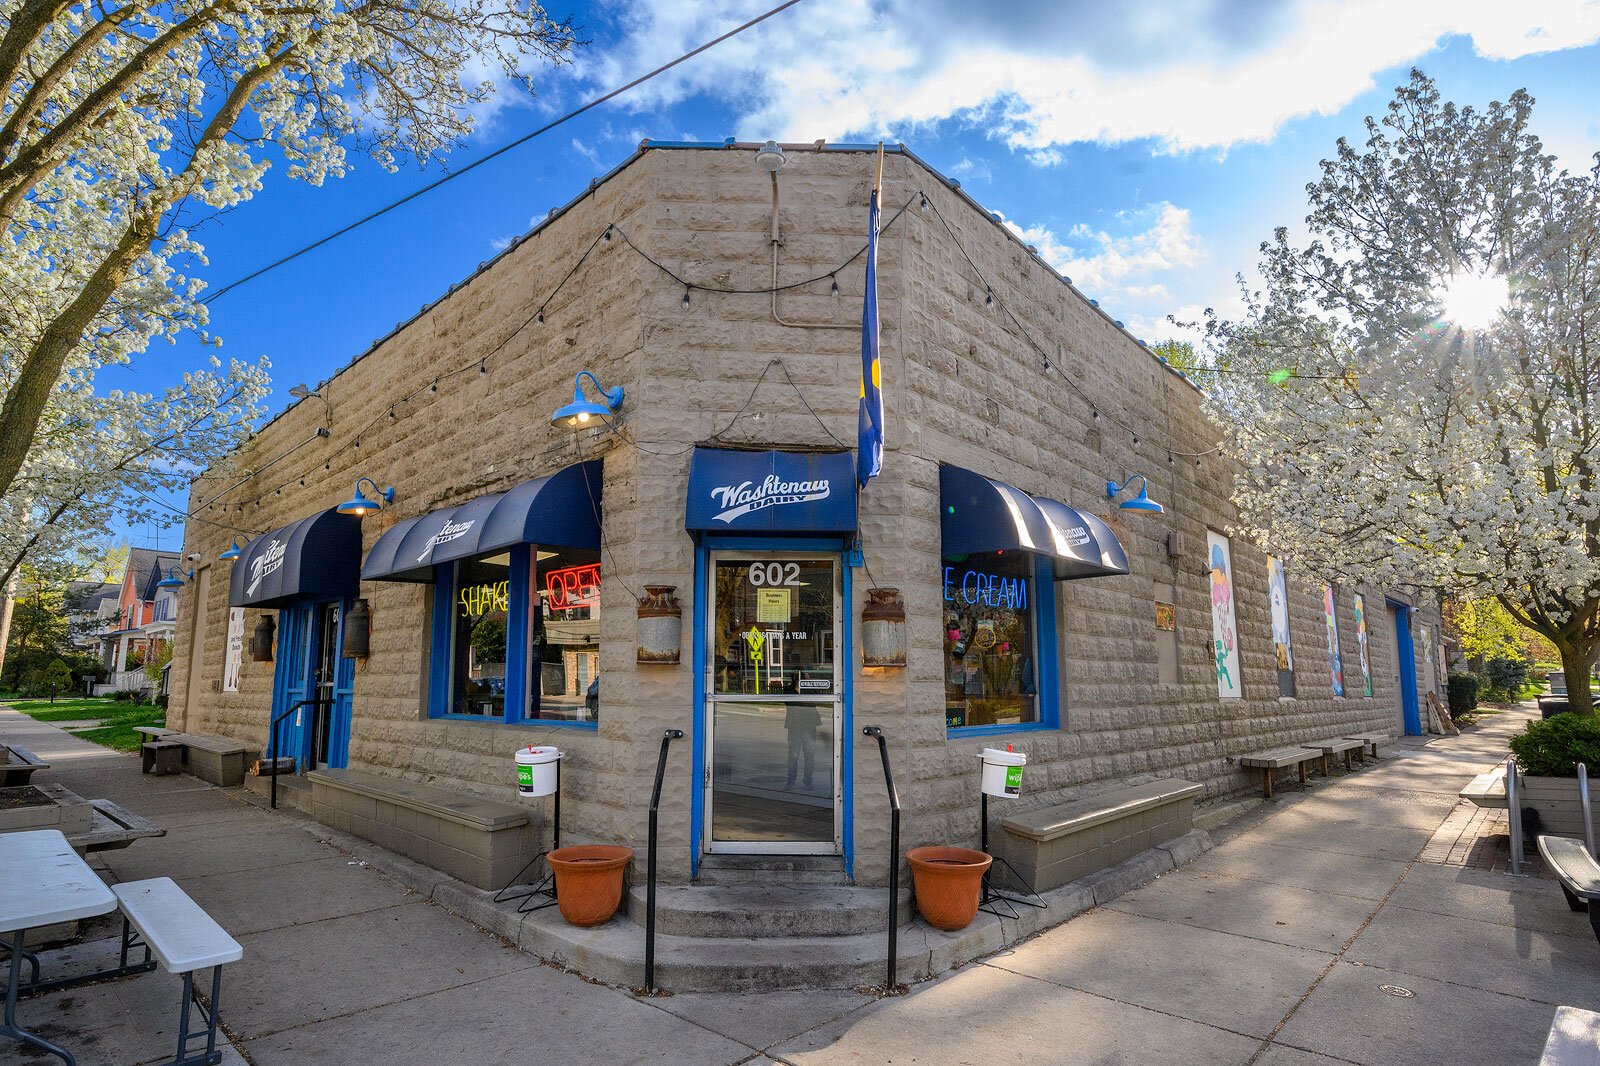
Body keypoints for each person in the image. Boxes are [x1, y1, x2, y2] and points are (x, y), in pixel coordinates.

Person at [784, 703, 822, 790]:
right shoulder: (790, 689)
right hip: (794, 724)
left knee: (809, 755)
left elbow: (815, 698)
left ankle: (808, 781)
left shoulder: (809, 688)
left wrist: (803, 689)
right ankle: (791, 781)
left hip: (809, 724)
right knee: (793, 756)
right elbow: (787, 701)